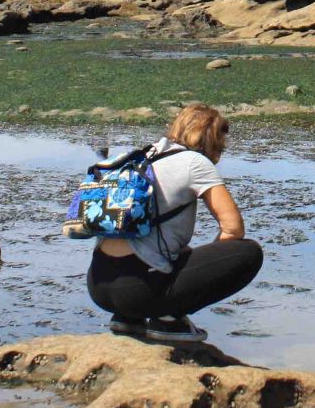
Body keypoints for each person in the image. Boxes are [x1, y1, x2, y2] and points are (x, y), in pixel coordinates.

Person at [87, 103, 262, 345]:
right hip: (139, 290)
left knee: (162, 255)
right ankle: (167, 320)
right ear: (212, 139)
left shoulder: (143, 155)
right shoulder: (195, 162)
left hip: (98, 284)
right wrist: (207, 262)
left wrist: (181, 256)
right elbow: (233, 229)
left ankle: (128, 319)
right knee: (248, 252)